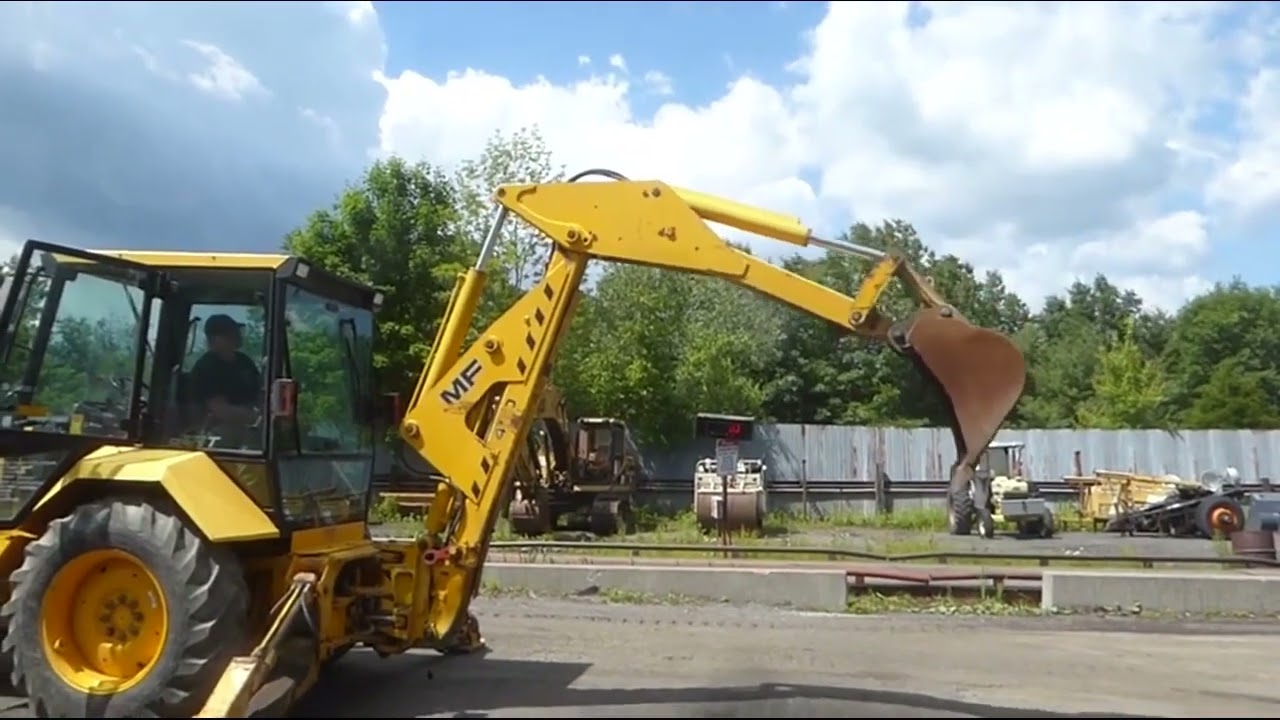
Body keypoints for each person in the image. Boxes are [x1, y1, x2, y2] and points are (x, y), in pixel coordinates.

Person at [188, 313, 261, 429]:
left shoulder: (245, 362)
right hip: (215, 432)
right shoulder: (207, 367)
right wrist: (258, 418)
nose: (238, 335)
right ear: (215, 339)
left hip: (247, 429)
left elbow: (260, 394)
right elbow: (220, 410)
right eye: (231, 333)